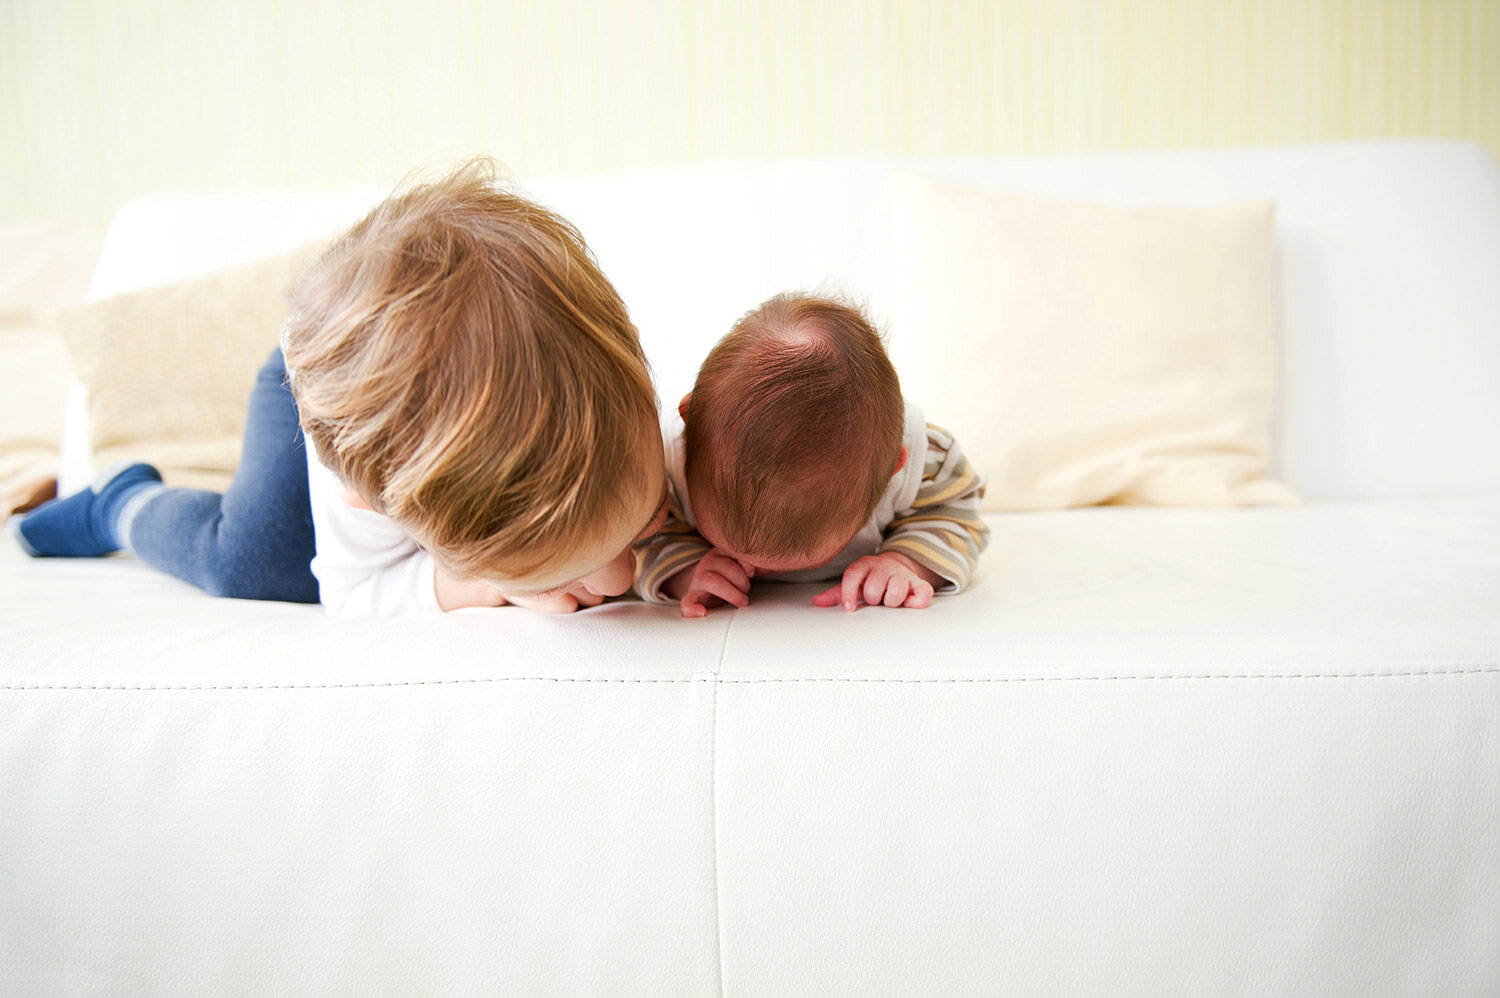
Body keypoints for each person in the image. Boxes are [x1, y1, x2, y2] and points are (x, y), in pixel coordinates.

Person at [10, 160, 667, 616]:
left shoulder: (606, 401)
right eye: (564, 573)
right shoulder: (354, 496)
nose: (618, 580)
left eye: (649, 516)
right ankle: (121, 502)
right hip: (307, 389)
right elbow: (352, 594)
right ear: (372, 507)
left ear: (637, 356)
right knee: (255, 564)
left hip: (398, 381)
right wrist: (466, 588)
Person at [634, 292, 988, 617]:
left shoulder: (928, 463)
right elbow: (644, 537)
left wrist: (907, 562)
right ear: (688, 422)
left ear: (890, 472)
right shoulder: (666, 464)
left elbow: (958, 516)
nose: (762, 569)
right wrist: (685, 572)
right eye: (726, 543)